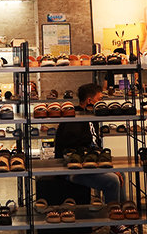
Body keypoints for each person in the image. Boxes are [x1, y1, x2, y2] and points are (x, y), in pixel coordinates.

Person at [54, 83, 129, 234]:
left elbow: (95, 147)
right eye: (99, 99)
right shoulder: (73, 119)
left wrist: (107, 165)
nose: (102, 103)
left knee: (121, 174)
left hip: (90, 164)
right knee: (112, 180)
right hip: (73, 169)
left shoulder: (92, 117)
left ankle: (121, 214)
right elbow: (71, 153)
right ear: (90, 101)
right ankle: (115, 224)